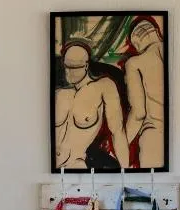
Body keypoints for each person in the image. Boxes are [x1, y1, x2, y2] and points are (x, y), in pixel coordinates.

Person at [55, 42, 129, 170]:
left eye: (75, 67)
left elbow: (117, 132)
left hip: (76, 164)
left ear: (86, 66)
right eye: (66, 66)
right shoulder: (60, 94)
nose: (69, 72)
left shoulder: (103, 86)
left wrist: (126, 173)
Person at [124, 19, 164, 168]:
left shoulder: (135, 63)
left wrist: (121, 144)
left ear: (136, 40)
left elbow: (138, 113)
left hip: (154, 136)